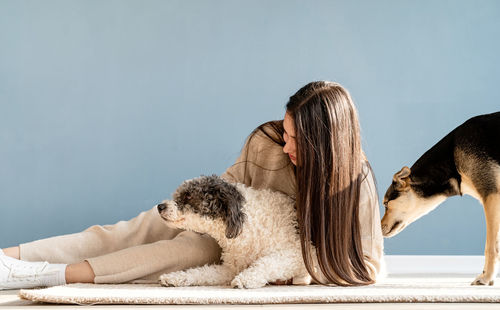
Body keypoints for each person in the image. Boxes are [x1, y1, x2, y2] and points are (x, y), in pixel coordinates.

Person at [0, 81, 384, 289]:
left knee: (180, 252)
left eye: (297, 140)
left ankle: (46, 275)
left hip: (259, 254)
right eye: (285, 132)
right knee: (139, 229)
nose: (286, 146)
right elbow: (228, 188)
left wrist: (289, 268)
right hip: (226, 227)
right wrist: (190, 212)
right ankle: (10, 256)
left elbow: (370, 266)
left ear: (326, 145)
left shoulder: (357, 183)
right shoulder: (266, 143)